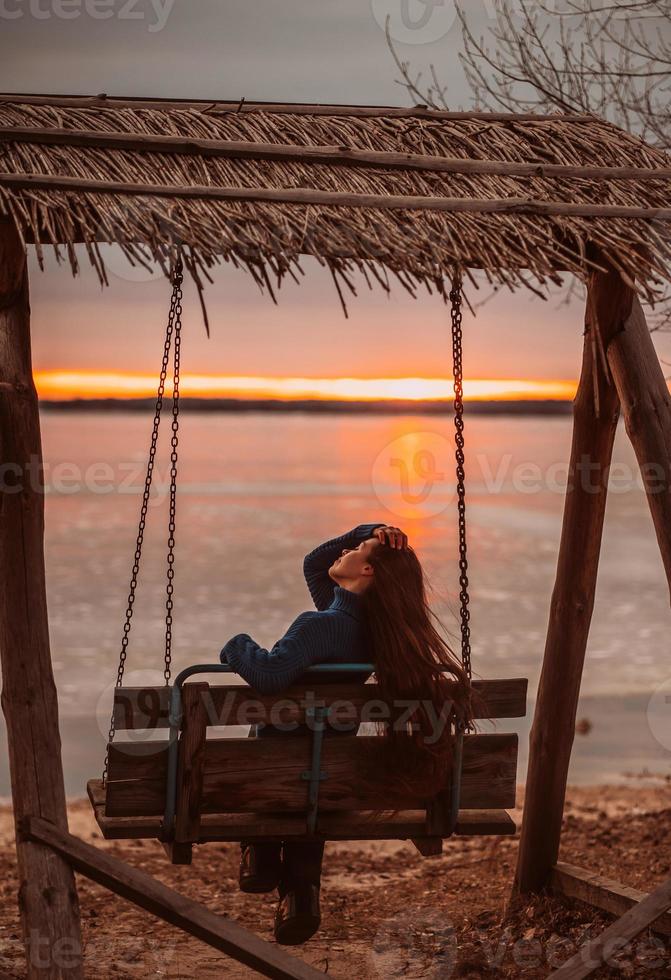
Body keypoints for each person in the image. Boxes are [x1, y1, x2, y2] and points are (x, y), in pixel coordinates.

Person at [220, 522, 473, 945]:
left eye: (359, 548)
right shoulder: (374, 633)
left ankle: (260, 852)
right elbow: (315, 565)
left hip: (272, 780)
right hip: (333, 779)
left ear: (368, 571)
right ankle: (301, 891)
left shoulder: (318, 627)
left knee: (272, 751)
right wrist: (372, 531)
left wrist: (235, 643)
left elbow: (267, 674)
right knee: (314, 771)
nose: (348, 550)